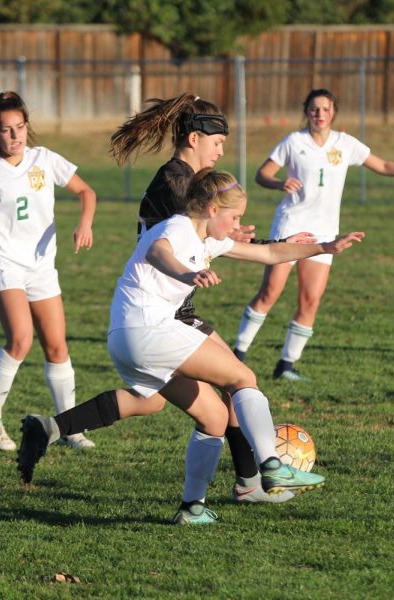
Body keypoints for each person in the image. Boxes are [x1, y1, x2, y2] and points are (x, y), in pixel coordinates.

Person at [17, 169, 365, 525]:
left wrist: (325, 247)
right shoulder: (178, 228)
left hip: (127, 339)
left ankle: (192, 508)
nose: (237, 225)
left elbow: (271, 253)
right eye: (235, 217)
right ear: (212, 209)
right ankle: (271, 467)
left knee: (213, 417)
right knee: (242, 377)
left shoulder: (206, 239)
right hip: (148, 329)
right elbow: (157, 251)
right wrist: (186, 274)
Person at [111, 93, 300, 503]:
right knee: (235, 381)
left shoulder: (188, 182)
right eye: (217, 144)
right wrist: (221, 238)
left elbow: (221, 235)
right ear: (195, 138)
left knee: (223, 400)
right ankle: (254, 478)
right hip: (163, 311)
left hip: (167, 307)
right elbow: (172, 242)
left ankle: (234, 487)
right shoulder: (176, 181)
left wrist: (237, 234)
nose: (220, 152)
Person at [233, 88, 394, 380]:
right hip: (290, 225)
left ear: (333, 112)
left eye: (325, 109)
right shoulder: (294, 142)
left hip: (324, 232)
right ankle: (239, 354)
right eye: (314, 109)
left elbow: (382, 165)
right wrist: (278, 183)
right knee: (270, 292)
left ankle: (286, 365)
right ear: (306, 111)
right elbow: (262, 174)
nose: (319, 114)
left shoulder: (345, 144)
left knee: (310, 300)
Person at [0, 92, 97, 452]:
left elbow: (86, 192)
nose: (15, 136)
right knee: (20, 339)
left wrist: (85, 223)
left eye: (20, 127)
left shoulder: (44, 159)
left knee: (56, 345)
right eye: (6, 130)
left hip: (41, 266)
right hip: (2, 263)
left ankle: (70, 427)